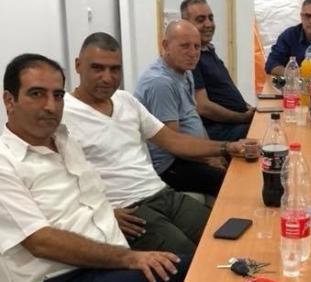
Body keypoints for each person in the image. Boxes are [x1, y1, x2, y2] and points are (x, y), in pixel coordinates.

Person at [0, 53, 218, 282]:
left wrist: (107, 214)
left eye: (57, 95)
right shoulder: (5, 163)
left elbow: (86, 197)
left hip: (105, 276)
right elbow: (41, 241)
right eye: (36, 94)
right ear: (9, 100)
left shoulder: (63, 138)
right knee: (195, 272)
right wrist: (130, 258)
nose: (51, 106)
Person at [63, 32, 241, 254]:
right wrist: (100, 214)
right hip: (128, 210)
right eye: (97, 68)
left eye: (115, 69)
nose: (107, 78)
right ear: (78, 66)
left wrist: (227, 147)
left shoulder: (125, 100)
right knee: (189, 255)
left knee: (226, 234)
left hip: (162, 193)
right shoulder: (62, 114)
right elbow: (58, 180)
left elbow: (173, 141)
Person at [135, 20, 225, 197]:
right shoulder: (160, 83)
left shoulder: (186, 72)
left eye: (197, 47)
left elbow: (194, 118)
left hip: (190, 155)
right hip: (169, 166)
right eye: (185, 46)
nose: (193, 53)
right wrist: (209, 158)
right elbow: (174, 145)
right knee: (230, 183)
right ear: (165, 46)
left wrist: (214, 152)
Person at [181, 0, 255, 142]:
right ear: (186, 24)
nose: (208, 24)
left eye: (211, 18)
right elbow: (203, 106)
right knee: (268, 134)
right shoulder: (192, 58)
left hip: (235, 123)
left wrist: (248, 108)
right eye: (200, 20)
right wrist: (242, 117)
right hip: (219, 131)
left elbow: (226, 91)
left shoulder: (208, 51)